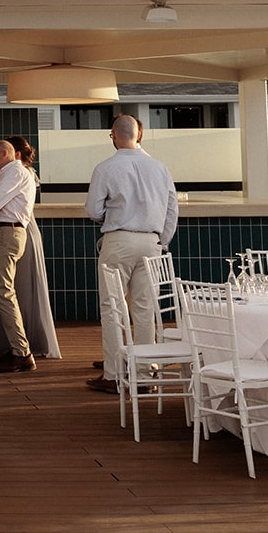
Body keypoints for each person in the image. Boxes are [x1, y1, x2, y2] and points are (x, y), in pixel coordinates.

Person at [85, 114, 179, 393]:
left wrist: (110, 219)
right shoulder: (160, 168)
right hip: (151, 242)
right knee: (145, 309)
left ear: (113, 135)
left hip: (118, 240)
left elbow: (92, 210)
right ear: (139, 135)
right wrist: (161, 241)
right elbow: (172, 210)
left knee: (113, 307)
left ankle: (113, 375)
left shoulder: (105, 168)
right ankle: (145, 375)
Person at [0, 138, 37, 373]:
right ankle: (16, 349)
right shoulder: (10, 173)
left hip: (6, 233)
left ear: (4, 153)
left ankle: (22, 353)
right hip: (3, 232)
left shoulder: (15, 173)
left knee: (3, 293)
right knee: (3, 293)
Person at [6, 136, 60, 360]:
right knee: (16, 287)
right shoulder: (20, 173)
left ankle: (28, 339)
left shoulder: (21, 173)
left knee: (24, 287)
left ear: (16, 154)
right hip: (26, 229)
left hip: (23, 230)